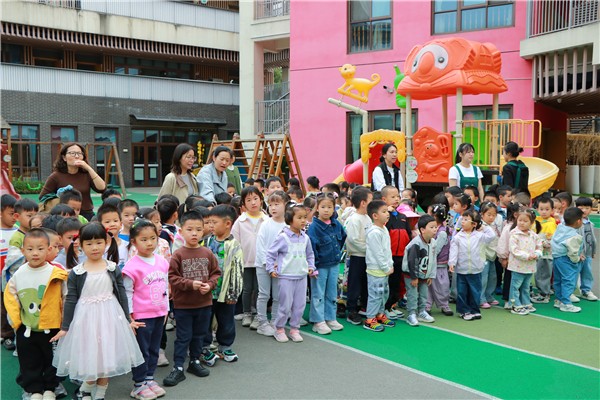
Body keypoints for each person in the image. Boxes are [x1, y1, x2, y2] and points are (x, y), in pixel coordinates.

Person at [51, 223, 144, 400]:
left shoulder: (112, 268)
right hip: (86, 319)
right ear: (80, 245)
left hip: (110, 317)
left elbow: (121, 294)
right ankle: (86, 389)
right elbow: (71, 299)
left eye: (99, 242)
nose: (94, 247)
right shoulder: (77, 272)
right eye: (89, 243)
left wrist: (128, 319)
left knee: (107, 358)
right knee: (91, 357)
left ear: (106, 242)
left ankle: (99, 395)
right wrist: (65, 327)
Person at [4, 229, 68, 400]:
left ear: (49, 249)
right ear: (23, 251)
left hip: (52, 327)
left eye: (40, 248)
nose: (35, 253)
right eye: (30, 249)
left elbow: (65, 297)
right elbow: (10, 297)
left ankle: (51, 388)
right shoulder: (19, 274)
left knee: (52, 359)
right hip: (27, 329)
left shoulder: (56, 273)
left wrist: (64, 322)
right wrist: (16, 322)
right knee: (29, 361)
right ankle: (34, 390)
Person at [163, 210, 220, 387]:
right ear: (181, 231)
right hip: (183, 306)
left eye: (198, 229)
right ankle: (178, 367)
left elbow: (216, 273)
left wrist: (210, 285)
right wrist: (190, 284)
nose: (194, 233)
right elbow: (172, 277)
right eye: (189, 229)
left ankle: (194, 361)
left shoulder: (207, 253)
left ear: (203, 230)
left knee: (199, 335)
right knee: (183, 337)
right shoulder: (178, 254)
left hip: (204, 304)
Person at [122, 219, 170, 398]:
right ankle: (139, 384)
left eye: (153, 238)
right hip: (141, 316)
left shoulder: (162, 261)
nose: (149, 243)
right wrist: (130, 317)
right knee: (141, 350)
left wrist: (166, 310)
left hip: (159, 313)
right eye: (143, 239)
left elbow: (165, 286)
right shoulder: (131, 266)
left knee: (154, 349)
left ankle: (149, 378)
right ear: (133, 242)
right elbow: (127, 293)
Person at [266, 205, 316, 342]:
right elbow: (271, 253)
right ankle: (279, 329)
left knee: (300, 305)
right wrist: (271, 269)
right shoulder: (283, 237)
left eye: (304, 217)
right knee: (285, 305)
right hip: (286, 277)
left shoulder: (306, 238)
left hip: (301, 276)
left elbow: (310, 254)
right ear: (290, 219)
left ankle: (294, 329)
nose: (303, 220)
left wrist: (311, 266)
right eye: (299, 217)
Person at [202, 205, 243, 364]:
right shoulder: (206, 241)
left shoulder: (234, 245)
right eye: (209, 222)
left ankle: (225, 346)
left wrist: (234, 293)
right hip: (207, 291)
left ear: (227, 224)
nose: (211, 226)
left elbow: (238, 270)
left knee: (226, 320)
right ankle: (204, 347)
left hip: (225, 293)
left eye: (214, 222)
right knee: (205, 319)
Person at [307, 193, 346, 335]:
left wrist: (336, 254)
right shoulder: (314, 227)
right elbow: (311, 248)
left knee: (332, 292)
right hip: (320, 265)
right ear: (317, 208)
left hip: (334, 264)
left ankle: (330, 317)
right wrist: (313, 265)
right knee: (318, 293)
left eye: (329, 207)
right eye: (323, 207)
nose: (326, 210)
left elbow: (343, 237)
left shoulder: (336, 224)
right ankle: (318, 321)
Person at [448, 210, 496, 320]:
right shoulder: (458, 237)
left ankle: (474, 310)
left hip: (475, 269)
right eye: (462, 219)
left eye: (466, 220)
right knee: (462, 292)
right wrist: (452, 263)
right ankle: (464, 311)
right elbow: (454, 251)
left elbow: (492, 236)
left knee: (475, 291)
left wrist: (482, 226)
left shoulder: (479, 236)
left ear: (474, 224)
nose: (463, 222)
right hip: (462, 270)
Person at [232, 187, 268, 329]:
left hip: (262, 262)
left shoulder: (266, 220)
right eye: (248, 200)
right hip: (245, 261)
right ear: (243, 204)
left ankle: (259, 314)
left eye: (255, 199)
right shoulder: (240, 221)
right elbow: (235, 242)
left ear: (261, 200)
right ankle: (247, 313)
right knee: (247, 289)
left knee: (259, 289)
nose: (253, 203)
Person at [39, 143, 106, 221]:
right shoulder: (56, 176)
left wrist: (88, 168)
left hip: (87, 214)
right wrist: (61, 198)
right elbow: (43, 196)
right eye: (72, 153)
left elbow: (102, 188)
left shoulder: (86, 174)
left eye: (79, 153)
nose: (76, 156)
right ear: (64, 157)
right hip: (65, 216)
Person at [254, 191, 289, 337]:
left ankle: (275, 321)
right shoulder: (265, 224)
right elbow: (261, 246)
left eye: (277, 204)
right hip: (263, 265)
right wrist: (268, 264)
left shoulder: (288, 225)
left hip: (280, 266)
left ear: (285, 205)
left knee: (277, 295)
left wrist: (279, 264)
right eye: (271, 204)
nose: (273, 208)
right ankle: (262, 322)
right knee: (264, 294)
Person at [363, 200, 395, 332]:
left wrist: (390, 264)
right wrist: (386, 267)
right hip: (376, 269)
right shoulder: (374, 232)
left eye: (387, 211)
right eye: (384, 211)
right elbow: (378, 253)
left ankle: (380, 314)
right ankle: (370, 319)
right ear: (375, 216)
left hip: (384, 269)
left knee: (383, 294)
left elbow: (387, 250)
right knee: (375, 294)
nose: (387, 214)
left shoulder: (383, 228)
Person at [381, 186, 412, 319]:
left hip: (401, 256)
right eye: (392, 197)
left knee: (397, 282)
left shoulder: (402, 217)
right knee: (388, 282)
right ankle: (385, 307)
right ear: (384, 199)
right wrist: (387, 213)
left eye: (398, 196)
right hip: (389, 256)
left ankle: (392, 305)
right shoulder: (384, 217)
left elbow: (408, 234)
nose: (396, 199)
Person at [402, 214, 438, 327]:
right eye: (431, 227)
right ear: (422, 230)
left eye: (435, 227)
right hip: (411, 274)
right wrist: (414, 277)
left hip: (425, 274)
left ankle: (422, 311)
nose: (435, 229)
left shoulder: (433, 242)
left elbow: (433, 259)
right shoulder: (416, 243)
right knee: (412, 294)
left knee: (423, 294)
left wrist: (431, 275)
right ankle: (411, 314)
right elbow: (412, 261)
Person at [344, 188, 373, 325]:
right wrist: (370, 248)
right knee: (354, 283)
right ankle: (351, 310)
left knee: (365, 282)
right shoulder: (354, 219)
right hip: (357, 256)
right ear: (363, 203)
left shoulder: (367, 218)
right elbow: (353, 240)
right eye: (370, 200)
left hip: (367, 256)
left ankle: (363, 306)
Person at [507, 209, 542, 315]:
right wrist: (527, 256)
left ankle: (525, 302)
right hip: (517, 266)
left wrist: (537, 254)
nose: (522, 223)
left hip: (529, 266)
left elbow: (539, 247)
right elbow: (514, 250)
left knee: (526, 286)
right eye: (520, 220)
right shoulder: (514, 235)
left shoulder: (534, 235)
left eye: (525, 221)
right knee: (515, 286)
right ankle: (514, 304)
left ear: (531, 223)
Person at [551, 207, 585, 312]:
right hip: (566, 259)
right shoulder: (574, 236)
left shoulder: (560, 227)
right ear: (578, 221)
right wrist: (577, 259)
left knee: (558, 280)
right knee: (568, 281)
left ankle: (559, 300)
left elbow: (562, 221)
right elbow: (573, 253)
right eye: (582, 219)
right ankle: (566, 303)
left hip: (556, 258)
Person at [426, 204, 453, 316]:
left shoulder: (441, 232)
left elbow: (436, 249)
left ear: (435, 216)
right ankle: (427, 305)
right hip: (432, 263)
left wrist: (428, 255)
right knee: (429, 285)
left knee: (442, 285)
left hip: (439, 264)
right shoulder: (436, 229)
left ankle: (444, 305)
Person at [532, 197, 557, 304]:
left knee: (543, 273)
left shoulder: (551, 222)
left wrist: (542, 242)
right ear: (537, 209)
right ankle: (544, 291)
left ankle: (543, 294)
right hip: (538, 252)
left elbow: (550, 240)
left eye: (547, 209)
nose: (544, 212)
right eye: (541, 209)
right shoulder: (537, 220)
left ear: (552, 210)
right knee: (540, 272)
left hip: (545, 253)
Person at [479, 202, 501, 309]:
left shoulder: (494, 225)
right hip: (483, 256)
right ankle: (480, 298)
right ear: (482, 214)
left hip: (493, 255)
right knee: (483, 278)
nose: (491, 217)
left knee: (492, 277)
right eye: (489, 214)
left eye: (494, 215)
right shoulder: (480, 226)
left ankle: (489, 296)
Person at [575, 197, 597, 301]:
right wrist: (578, 253)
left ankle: (586, 290)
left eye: (587, 208)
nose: (584, 210)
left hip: (588, 253)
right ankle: (570, 292)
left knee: (587, 272)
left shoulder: (590, 223)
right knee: (574, 273)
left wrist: (593, 251)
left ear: (591, 209)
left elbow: (592, 239)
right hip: (578, 254)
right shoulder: (575, 223)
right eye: (581, 208)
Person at [97, 204, 129, 270]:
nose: (112, 224)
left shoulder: (127, 245)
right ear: (100, 225)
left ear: (121, 224)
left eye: (115, 221)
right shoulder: (98, 247)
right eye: (107, 222)